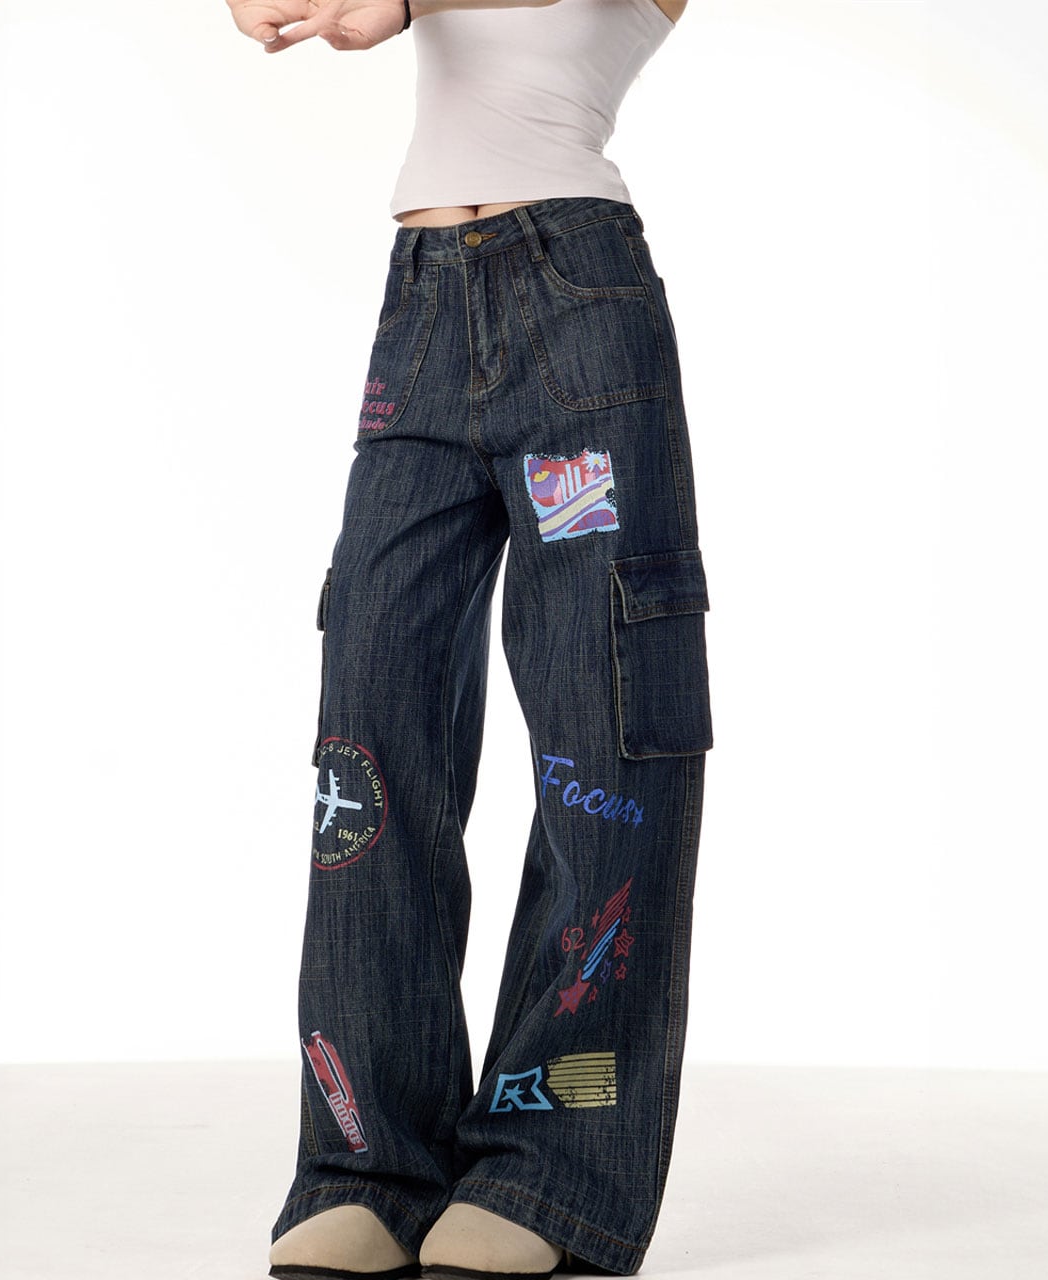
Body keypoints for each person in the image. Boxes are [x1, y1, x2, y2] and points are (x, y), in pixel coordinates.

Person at [227, 0, 707, 1275]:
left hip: (578, 301)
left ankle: (555, 1168)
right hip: (421, 306)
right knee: (369, 721)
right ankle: (367, 1158)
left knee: (602, 723)